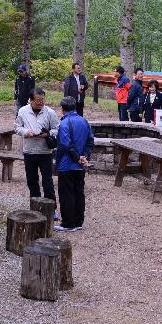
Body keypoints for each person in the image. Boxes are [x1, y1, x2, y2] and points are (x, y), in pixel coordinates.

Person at [15, 88, 60, 211]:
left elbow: (57, 128)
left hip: (45, 151)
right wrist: (26, 132)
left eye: (42, 100)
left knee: (47, 181)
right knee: (32, 181)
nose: (41, 103)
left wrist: (47, 134)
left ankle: (51, 209)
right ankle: (35, 207)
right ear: (31, 100)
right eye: (38, 100)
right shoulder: (23, 111)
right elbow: (17, 127)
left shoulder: (50, 112)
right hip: (29, 151)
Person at [54, 96, 95, 233]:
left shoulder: (65, 123)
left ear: (63, 109)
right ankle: (78, 221)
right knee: (79, 192)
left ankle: (68, 223)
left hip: (67, 165)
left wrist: (77, 158)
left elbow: (65, 144)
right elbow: (90, 140)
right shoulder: (84, 121)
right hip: (80, 164)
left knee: (67, 194)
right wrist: (85, 157)